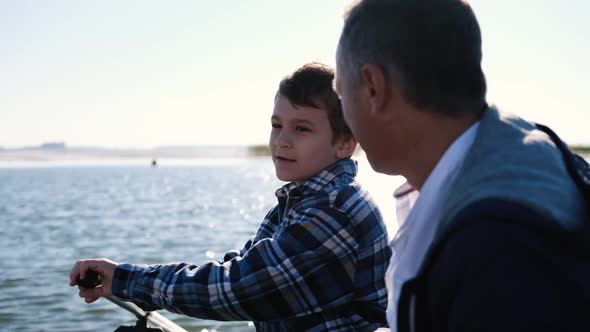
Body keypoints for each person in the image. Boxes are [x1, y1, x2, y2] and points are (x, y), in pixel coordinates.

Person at [69, 62, 391, 331]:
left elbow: (239, 288)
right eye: (277, 125)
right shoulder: (301, 200)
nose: (281, 141)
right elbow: (238, 265)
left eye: (301, 128)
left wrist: (129, 281)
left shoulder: (334, 212)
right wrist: (130, 280)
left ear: (345, 143)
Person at [334, 0, 590, 331]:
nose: (343, 113)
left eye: (341, 93)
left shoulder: (498, 251)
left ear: (373, 88)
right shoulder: (523, 151)